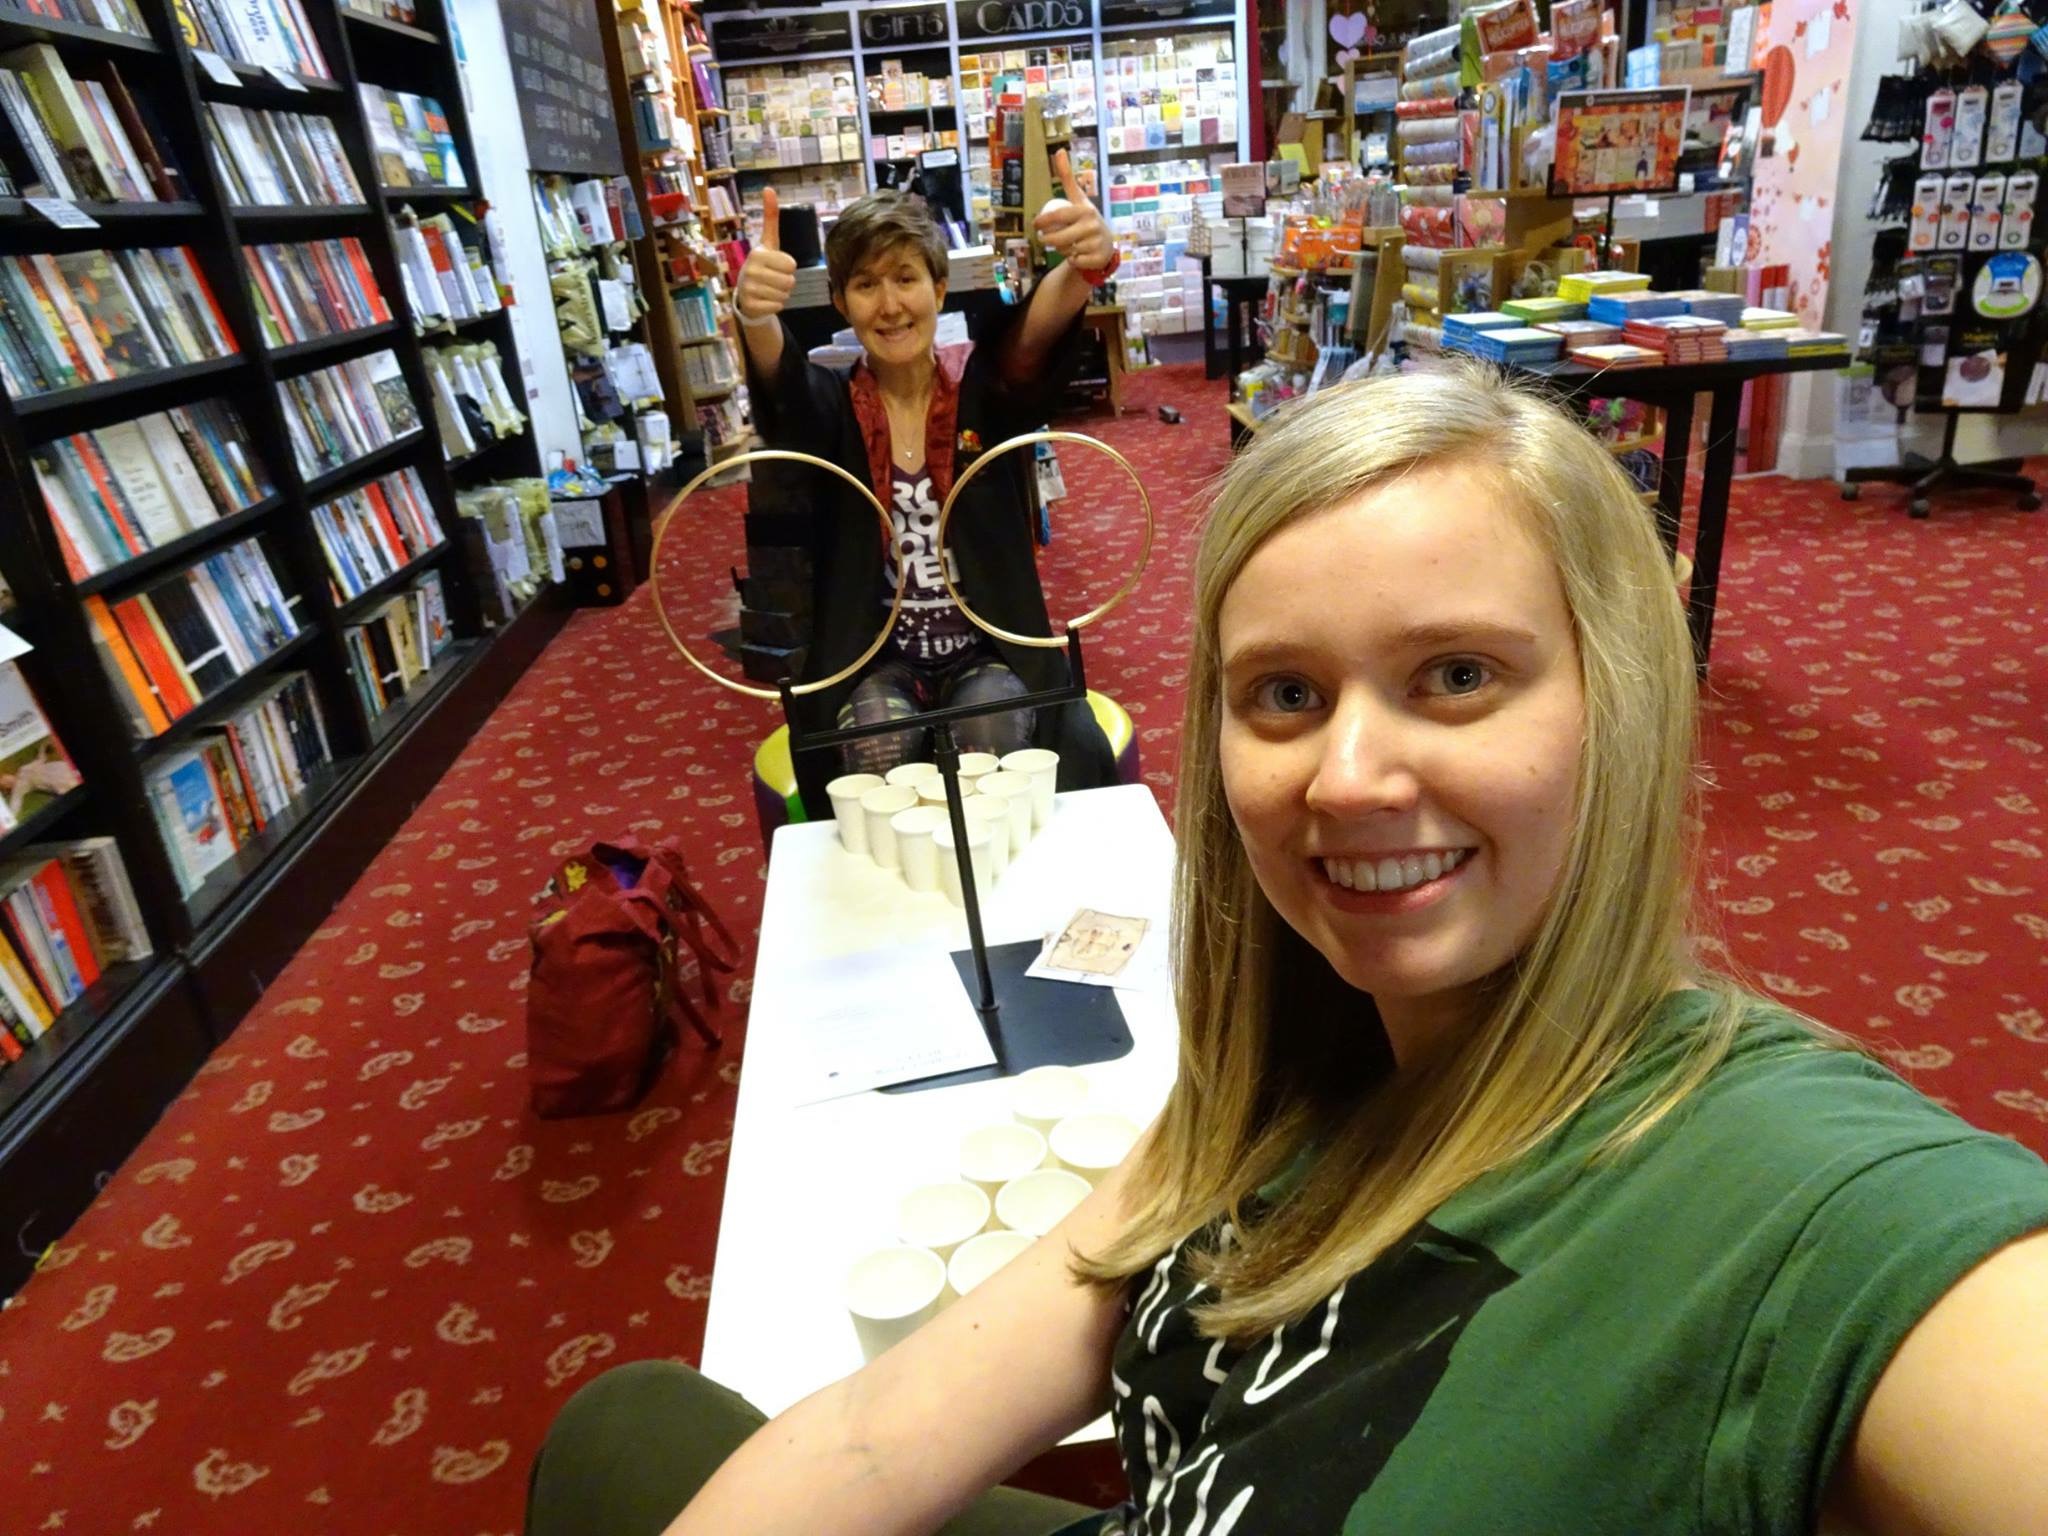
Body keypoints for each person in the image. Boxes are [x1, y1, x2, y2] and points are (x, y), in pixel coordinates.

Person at [526, 366, 2048, 1536]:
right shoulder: (1287, 1069)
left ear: (1620, 699)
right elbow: (879, 1433)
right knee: (626, 1422)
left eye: (1457, 675)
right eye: (1286, 697)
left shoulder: (1795, 1203)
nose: (1348, 779)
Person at [733, 169, 1121, 801]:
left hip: (988, 651)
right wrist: (753, 315)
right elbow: (785, 387)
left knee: (994, 738)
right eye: (866, 284)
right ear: (840, 302)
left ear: (939, 288)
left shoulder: (980, 394)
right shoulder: (833, 410)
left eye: (906, 278)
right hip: (873, 659)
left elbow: (1029, 343)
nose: (889, 305)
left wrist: (1085, 267)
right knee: (875, 755)